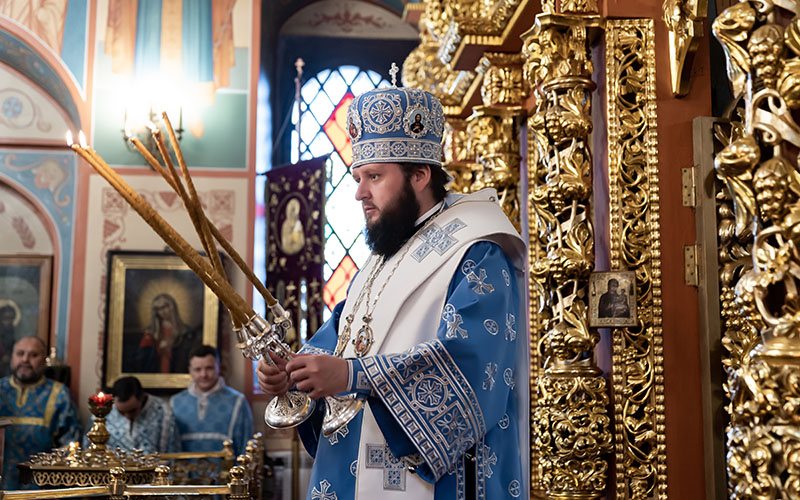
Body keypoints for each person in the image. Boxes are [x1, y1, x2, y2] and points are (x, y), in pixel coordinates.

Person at [257, 85, 528, 499]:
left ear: (420, 176)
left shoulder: (476, 250)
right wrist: (292, 374)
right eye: (358, 178)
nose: (359, 193)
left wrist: (351, 376)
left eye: (375, 177)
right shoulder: (383, 256)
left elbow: (474, 367)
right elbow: (339, 339)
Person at [0, 336, 81, 490]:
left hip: (41, 488)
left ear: (44, 360)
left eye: (33, 355)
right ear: (11, 358)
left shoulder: (59, 395)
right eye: (20, 353)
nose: (25, 359)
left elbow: (72, 447)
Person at [170, 345, 254, 456]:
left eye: (209, 368)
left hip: (226, 472)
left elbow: (245, 446)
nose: (203, 374)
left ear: (218, 367)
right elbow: (170, 448)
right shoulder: (175, 403)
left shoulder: (238, 401)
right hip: (185, 472)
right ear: (190, 370)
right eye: (198, 369)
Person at [85, 376, 179, 453]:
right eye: (121, 412)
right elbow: (88, 448)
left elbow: (171, 450)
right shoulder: (102, 411)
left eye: (132, 411)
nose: (127, 416)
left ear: (142, 398)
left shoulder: (163, 411)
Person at [135, 293, 200, 374]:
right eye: (158, 309)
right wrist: (158, 349)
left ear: (172, 307)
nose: (162, 311)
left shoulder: (186, 332)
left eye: (165, 307)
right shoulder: (150, 333)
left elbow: (190, 356)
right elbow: (142, 360)